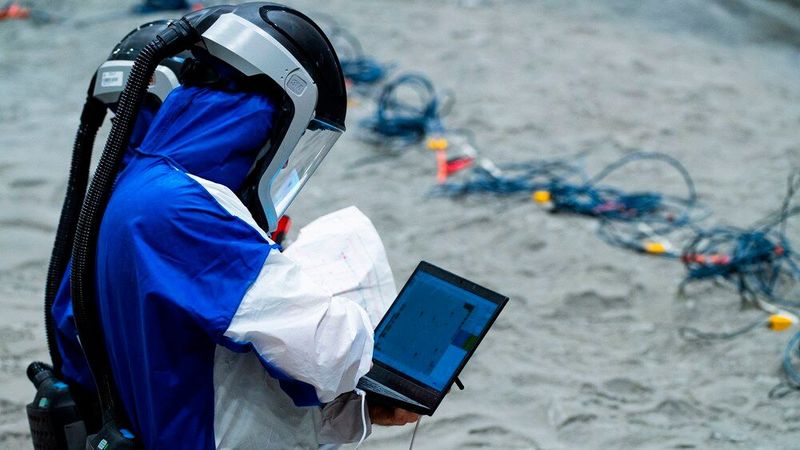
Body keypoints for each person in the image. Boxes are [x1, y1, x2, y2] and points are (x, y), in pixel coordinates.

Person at [56, 4, 418, 448]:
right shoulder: (180, 208)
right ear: (281, 114)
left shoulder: (138, 189)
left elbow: (211, 372)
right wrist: (383, 341)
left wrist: (358, 408)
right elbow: (329, 351)